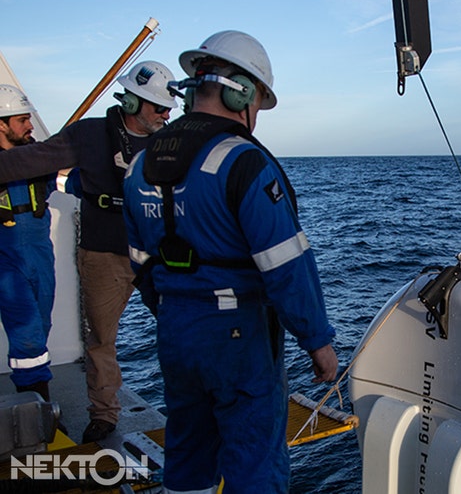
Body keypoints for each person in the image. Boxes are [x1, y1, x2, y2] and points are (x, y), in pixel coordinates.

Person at [122, 30, 338, 493]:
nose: (255, 114)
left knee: (189, 452)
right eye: (257, 101)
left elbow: (138, 260)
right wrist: (318, 341)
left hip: (176, 330)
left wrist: (173, 307)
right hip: (238, 335)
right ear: (240, 91)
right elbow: (285, 263)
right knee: (254, 458)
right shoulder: (243, 161)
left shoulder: (141, 166)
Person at [0, 61, 179, 443]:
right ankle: (104, 415)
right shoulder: (89, 134)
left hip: (159, 255)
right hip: (103, 255)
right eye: (159, 107)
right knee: (100, 339)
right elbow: (30, 159)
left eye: (168, 107)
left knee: (183, 330)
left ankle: (191, 409)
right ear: (132, 102)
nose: (167, 113)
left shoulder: (175, 141)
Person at [0, 84, 56, 403]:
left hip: (41, 257)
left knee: (42, 327)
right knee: (28, 336)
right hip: (7, 260)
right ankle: (39, 412)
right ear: (2, 124)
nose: (30, 126)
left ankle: (36, 406)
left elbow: (66, 181)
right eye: (22, 120)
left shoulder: (39, 158)